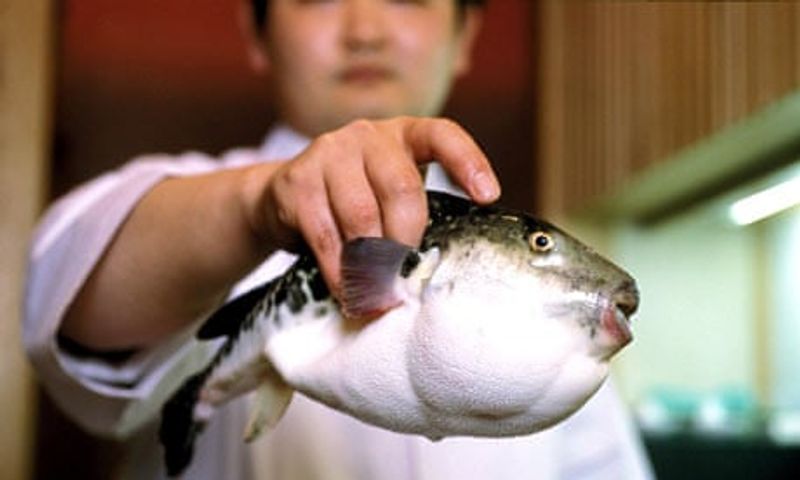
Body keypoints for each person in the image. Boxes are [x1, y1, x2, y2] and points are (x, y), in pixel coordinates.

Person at [23, 0, 654, 478]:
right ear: (255, 31)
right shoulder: (187, 200)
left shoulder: (543, 304)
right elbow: (72, 295)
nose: (365, 29)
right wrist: (255, 207)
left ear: (466, 35)